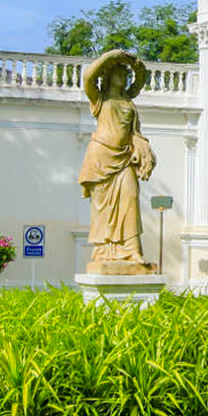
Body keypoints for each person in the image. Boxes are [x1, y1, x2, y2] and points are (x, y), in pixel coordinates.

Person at [77, 49, 157, 269]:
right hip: (102, 157)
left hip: (124, 158)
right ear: (109, 76)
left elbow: (140, 81)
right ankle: (104, 251)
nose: (123, 78)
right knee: (103, 208)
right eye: (119, 74)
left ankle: (132, 251)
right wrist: (111, 57)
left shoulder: (128, 100)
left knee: (131, 197)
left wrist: (136, 65)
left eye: (125, 75)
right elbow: (87, 77)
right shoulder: (99, 99)